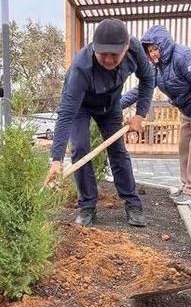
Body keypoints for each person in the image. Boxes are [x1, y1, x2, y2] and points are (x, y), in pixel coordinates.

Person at [44, 18, 155, 227]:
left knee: (118, 151)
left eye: (114, 54)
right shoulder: (80, 69)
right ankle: (87, 206)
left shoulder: (135, 50)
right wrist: (56, 159)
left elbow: (148, 80)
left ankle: (133, 203)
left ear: (126, 47)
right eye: (102, 53)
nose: (108, 59)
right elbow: (66, 114)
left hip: (111, 105)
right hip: (81, 107)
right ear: (94, 47)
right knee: (80, 149)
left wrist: (140, 114)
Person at [121, 26, 191, 205]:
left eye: (155, 49)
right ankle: (186, 186)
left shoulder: (183, 57)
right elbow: (141, 90)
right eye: (149, 51)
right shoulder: (157, 67)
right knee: (184, 146)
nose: (153, 54)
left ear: (163, 45)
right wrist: (115, 105)